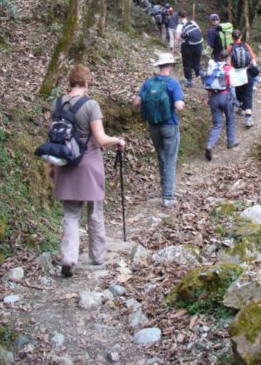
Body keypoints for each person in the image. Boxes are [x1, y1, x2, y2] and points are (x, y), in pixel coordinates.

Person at [51, 65, 126, 278]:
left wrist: (52, 167)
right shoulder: (90, 105)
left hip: (64, 163)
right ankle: (98, 255)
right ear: (86, 83)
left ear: (69, 82)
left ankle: (68, 257)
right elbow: (101, 139)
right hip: (89, 162)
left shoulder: (56, 104)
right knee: (95, 211)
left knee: (71, 214)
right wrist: (118, 141)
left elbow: (53, 137)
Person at [133, 53, 184, 208]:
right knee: (170, 159)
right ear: (170, 66)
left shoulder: (149, 83)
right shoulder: (173, 84)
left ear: (159, 66)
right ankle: (167, 197)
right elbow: (179, 106)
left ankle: (164, 190)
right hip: (170, 125)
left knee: (161, 157)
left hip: (153, 126)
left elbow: (135, 102)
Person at [204, 50, 239, 161]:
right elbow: (233, 84)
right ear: (229, 58)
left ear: (219, 57)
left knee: (217, 124)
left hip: (214, 98)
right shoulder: (229, 69)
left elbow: (209, 85)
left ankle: (210, 145)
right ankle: (230, 142)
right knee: (230, 119)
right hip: (225, 97)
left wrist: (208, 98)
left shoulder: (214, 68)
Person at [227, 29, 258, 128]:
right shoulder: (246, 46)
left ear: (232, 37)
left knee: (238, 93)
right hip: (247, 73)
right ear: (241, 37)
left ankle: (241, 108)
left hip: (235, 75)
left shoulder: (230, 47)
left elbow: (227, 63)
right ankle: (248, 118)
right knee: (248, 95)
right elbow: (253, 60)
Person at [173, 10, 204, 88]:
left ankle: (189, 81)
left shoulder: (180, 26)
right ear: (186, 16)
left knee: (187, 64)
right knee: (196, 63)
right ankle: (203, 74)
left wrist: (174, 48)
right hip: (198, 45)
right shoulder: (193, 22)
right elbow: (200, 31)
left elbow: (177, 38)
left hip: (187, 47)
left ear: (179, 17)